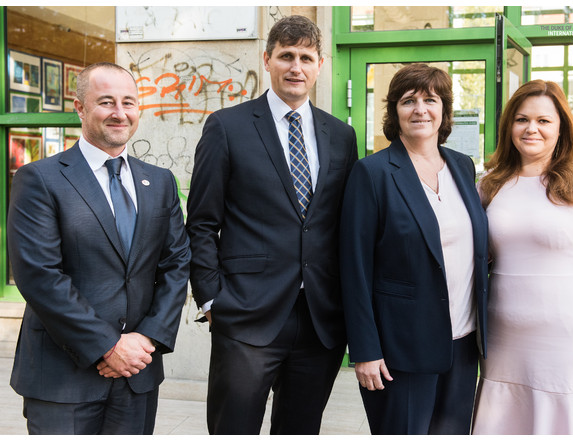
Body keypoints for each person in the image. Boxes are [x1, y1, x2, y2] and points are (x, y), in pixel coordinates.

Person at [186, 15, 358, 435]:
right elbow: (202, 222)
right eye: (286, 56)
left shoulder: (342, 135)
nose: (296, 67)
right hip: (245, 314)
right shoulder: (227, 127)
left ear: (320, 65)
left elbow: (344, 224)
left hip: (320, 319)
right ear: (267, 60)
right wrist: (211, 300)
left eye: (306, 58)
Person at [7, 62, 191, 435]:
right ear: (80, 107)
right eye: (106, 102)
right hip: (62, 377)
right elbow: (40, 276)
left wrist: (147, 339)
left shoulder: (159, 181)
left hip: (137, 372)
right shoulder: (39, 179)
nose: (120, 113)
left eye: (129, 102)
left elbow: (176, 264)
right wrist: (108, 346)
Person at [472, 79, 573, 434]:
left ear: (561, 127)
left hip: (568, 340)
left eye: (543, 120)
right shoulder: (490, 184)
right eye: (522, 119)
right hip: (503, 343)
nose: (531, 128)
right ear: (509, 126)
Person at [339, 63, 489, 435]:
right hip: (400, 348)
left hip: (463, 342)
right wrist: (365, 350)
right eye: (408, 101)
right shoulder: (372, 172)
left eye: (430, 100)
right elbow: (354, 268)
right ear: (395, 112)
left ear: (444, 109)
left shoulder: (462, 166)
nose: (420, 109)